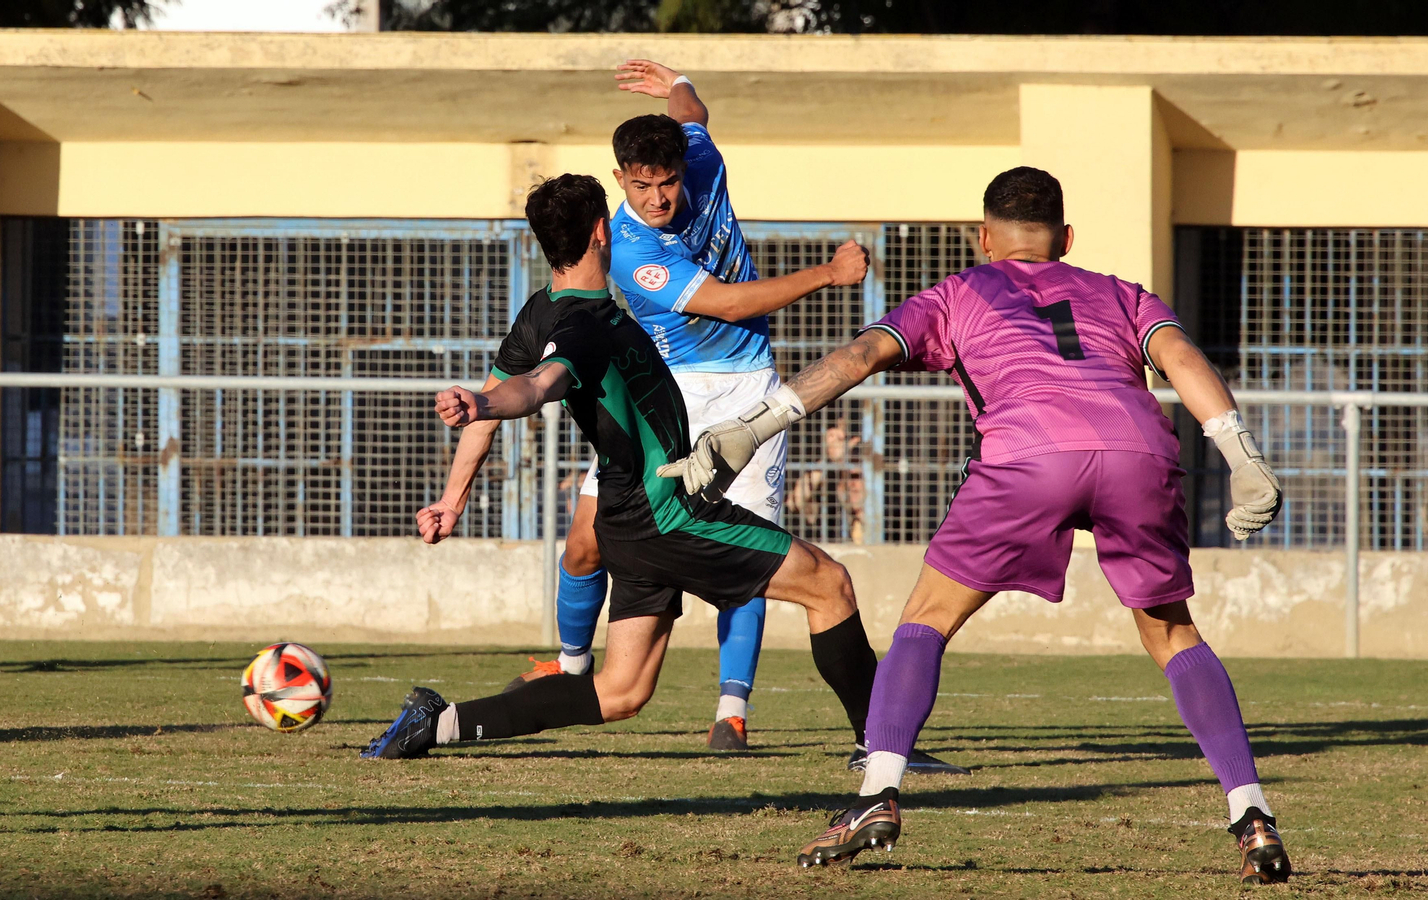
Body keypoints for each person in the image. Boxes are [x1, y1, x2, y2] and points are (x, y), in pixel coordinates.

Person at [660, 167, 1291, 883]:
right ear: (1067, 238)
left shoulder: (958, 290)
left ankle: (876, 796)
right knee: (1173, 633)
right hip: (1138, 452)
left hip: (1028, 455)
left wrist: (751, 427)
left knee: (925, 619)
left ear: (983, 237)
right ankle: (1252, 814)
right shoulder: (1122, 293)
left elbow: (862, 355)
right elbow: (1179, 356)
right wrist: (1242, 455)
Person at [363, 173, 879, 767]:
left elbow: (502, 391)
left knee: (621, 692)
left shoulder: (542, 310)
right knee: (828, 583)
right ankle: (883, 746)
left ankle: (438, 724)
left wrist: (453, 500)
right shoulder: (587, 326)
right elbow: (536, 387)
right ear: (603, 232)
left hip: (627, 519)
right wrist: (486, 405)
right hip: (667, 513)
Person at [480, 59, 872, 754]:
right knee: (585, 539)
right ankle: (573, 670)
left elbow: (694, 114)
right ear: (620, 179)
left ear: (680, 168)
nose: (658, 197)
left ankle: (732, 710)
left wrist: (677, 81)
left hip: (746, 386)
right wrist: (829, 275)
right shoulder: (630, 249)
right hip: (670, 392)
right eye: (641, 185)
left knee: (751, 550)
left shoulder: (701, 158)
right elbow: (727, 301)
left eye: (665, 183)